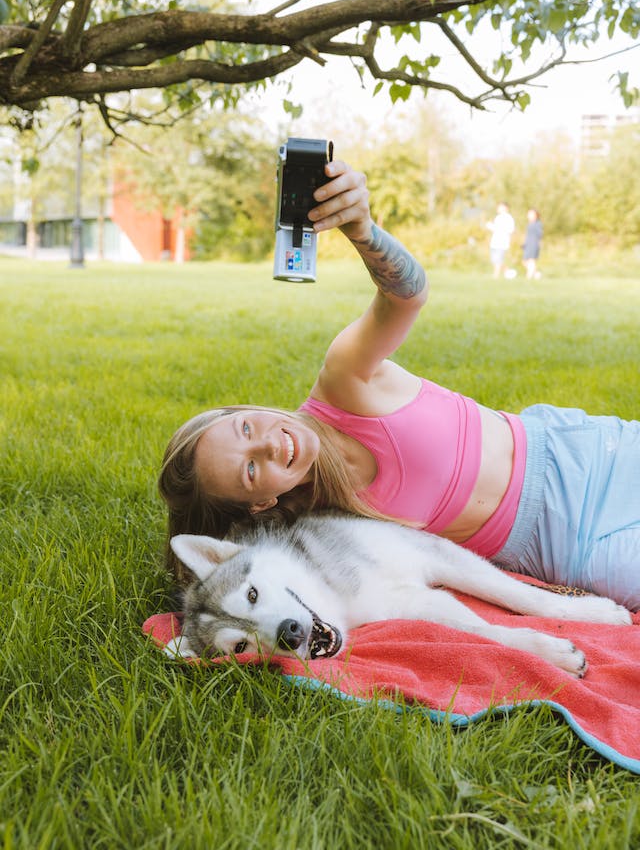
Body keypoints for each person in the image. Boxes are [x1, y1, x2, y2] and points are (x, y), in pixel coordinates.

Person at [159, 162, 640, 611]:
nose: (267, 443)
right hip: (559, 548)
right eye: (250, 470)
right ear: (261, 502)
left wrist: (362, 231)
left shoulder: (343, 381)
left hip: (578, 457)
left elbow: (405, 296)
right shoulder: (323, 531)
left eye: (246, 429)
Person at [486, 202, 515, 278]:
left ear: (506, 208)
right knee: (494, 260)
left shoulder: (508, 218)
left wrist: (498, 228)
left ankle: (495, 276)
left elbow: (510, 230)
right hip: (494, 242)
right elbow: (495, 228)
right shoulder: (498, 217)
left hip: (502, 242)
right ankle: (508, 272)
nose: (498, 209)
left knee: (498, 260)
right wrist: (490, 226)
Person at [523, 208, 543, 279]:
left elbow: (539, 234)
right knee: (525, 261)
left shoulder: (538, 224)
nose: (529, 215)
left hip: (534, 244)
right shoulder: (530, 224)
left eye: (531, 214)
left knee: (531, 260)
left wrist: (538, 243)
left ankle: (528, 277)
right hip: (528, 244)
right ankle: (537, 274)